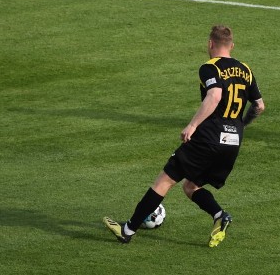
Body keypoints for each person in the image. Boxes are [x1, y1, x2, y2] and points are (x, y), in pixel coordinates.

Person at [104, 25, 264, 247]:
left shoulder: (209, 67)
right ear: (232, 46)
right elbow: (259, 106)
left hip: (208, 138)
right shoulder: (246, 69)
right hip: (232, 142)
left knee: (165, 180)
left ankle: (127, 230)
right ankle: (219, 216)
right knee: (190, 186)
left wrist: (192, 125)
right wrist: (240, 125)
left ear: (210, 44)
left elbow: (215, 95)